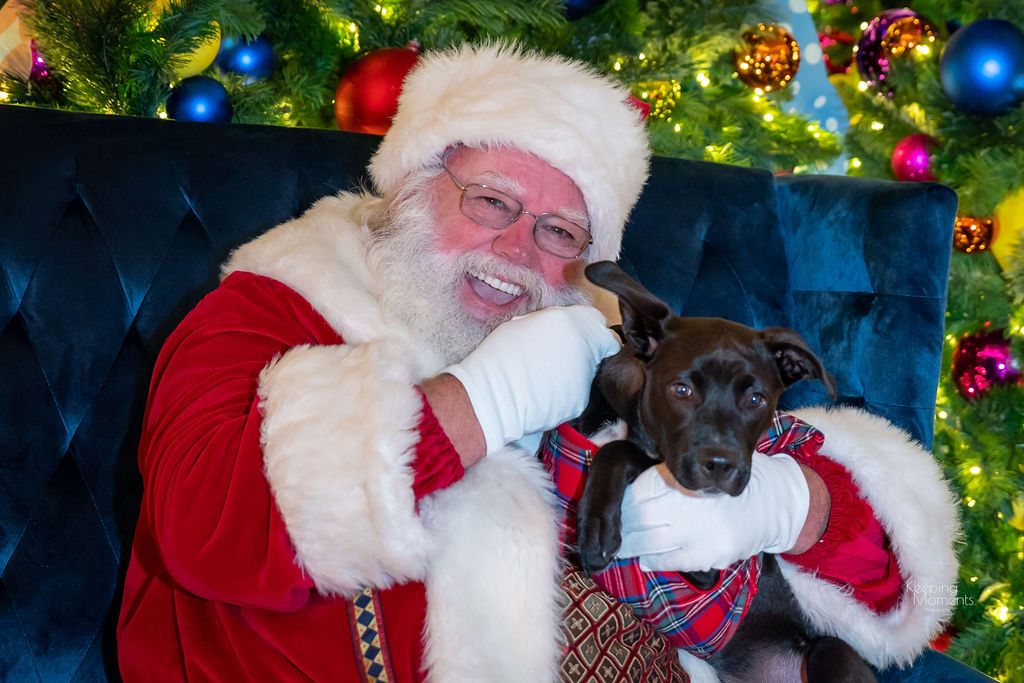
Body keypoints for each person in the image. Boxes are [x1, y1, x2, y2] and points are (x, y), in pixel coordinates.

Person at [116, 43, 960, 681]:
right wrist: (481, 399)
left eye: (560, 232)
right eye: (491, 201)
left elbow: (884, 576)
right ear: (409, 190)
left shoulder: (605, 349)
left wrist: (789, 505)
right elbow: (203, 529)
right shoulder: (269, 308)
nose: (517, 250)